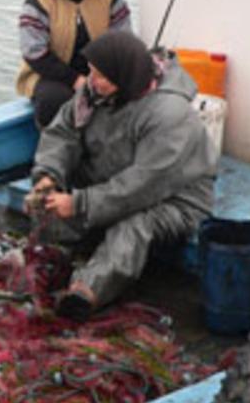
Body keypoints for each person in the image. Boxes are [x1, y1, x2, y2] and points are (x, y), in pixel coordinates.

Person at [26, 31, 217, 320]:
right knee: (45, 205)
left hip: (174, 196)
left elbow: (144, 185)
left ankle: (86, 293)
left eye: (101, 75)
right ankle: (59, 255)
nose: (92, 80)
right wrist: (48, 177)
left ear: (125, 76)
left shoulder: (169, 115)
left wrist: (79, 204)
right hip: (110, 178)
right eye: (91, 72)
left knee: (132, 226)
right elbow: (62, 134)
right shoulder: (95, 92)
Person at [15, 0, 132, 128]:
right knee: (55, 99)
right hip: (49, 74)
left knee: (127, 94)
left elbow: (122, 39)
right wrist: (76, 80)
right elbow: (33, 52)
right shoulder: (38, 1)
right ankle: (54, 151)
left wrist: (107, 76)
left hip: (98, 72)